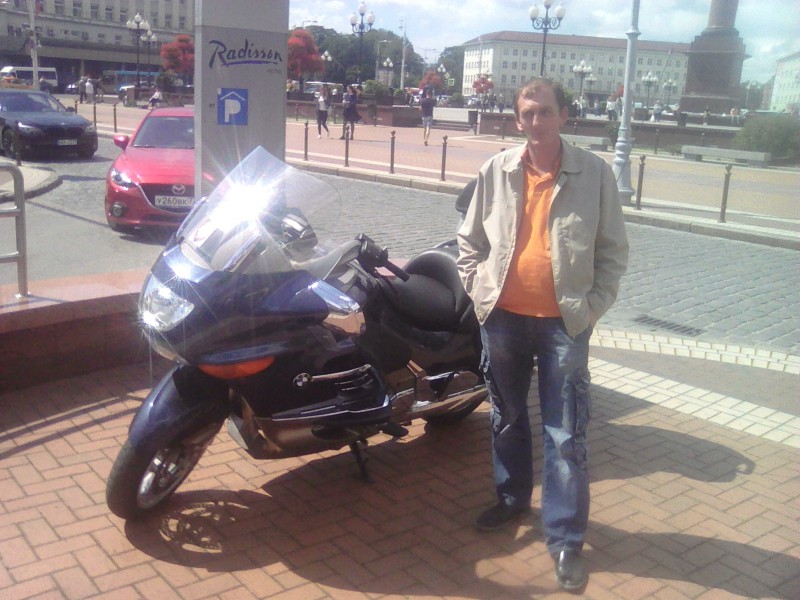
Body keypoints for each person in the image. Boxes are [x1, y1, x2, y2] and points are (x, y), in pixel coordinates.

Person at [457, 77, 628, 592]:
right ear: (518, 120)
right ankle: (512, 499)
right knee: (507, 416)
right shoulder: (497, 169)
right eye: (527, 113)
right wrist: (478, 288)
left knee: (565, 432)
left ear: (563, 116)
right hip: (503, 318)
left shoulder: (594, 173)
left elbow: (612, 251)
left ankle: (566, 538)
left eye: (545, 112)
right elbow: (469, 241)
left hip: (564, 324)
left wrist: (591, 309)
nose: (536, 121)